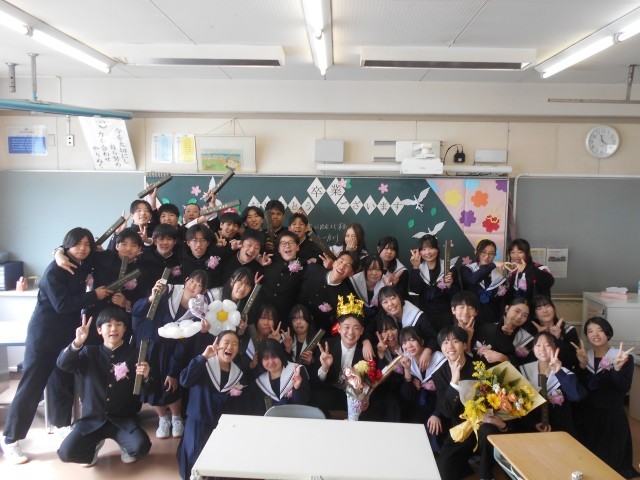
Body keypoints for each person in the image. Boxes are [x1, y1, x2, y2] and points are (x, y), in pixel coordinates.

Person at [2, 228, 111, 465]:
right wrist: (94, 295)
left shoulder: (83, 263)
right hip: (43, 335)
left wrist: (59, 251)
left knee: (62, 380)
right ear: (67, 245)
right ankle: (10, 439)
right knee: (32, 386)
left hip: (67, 334)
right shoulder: (55, 270)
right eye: (78, 244)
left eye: (87, 244)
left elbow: (98, 252)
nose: (83, 249)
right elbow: (62, 305)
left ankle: (61, 425)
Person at [56, 308, 152, 466]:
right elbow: (63, 364)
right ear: (99, 330)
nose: (114, 329)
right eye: (109, 325)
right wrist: (77, 342)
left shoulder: (135, 355)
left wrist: (147, 377)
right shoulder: (88, 352)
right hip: (92, 420)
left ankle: (125, 447)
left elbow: (148, 391)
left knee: (141, 447)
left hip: (123, 420)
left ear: (124, 329)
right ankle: (92, 449)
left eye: (119, 324)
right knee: (66, 453)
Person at [131, 270, 212, 440]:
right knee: (150, 383)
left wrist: (173, 371)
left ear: (203, 291)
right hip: (150, 345)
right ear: (186, 280)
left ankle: (176, 418)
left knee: (171, 384)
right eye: (192, 281)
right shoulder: (166, 290)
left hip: (174, 350)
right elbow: (136, 310)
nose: (193, 286)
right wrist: (151, 298)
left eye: (199, 285)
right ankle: (162, 418)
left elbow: (186, 342)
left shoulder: (198, 310)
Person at [432, 325, 508, 480]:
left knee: (487, 431)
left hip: (483, 425)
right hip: (460, 429)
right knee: (443, 469)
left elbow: (497, 398)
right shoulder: (439, 374)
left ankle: (486, 475)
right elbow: (445, 411)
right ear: (441, 348)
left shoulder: (480, 367)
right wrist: (454, 381)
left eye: (455, 341)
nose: (450, 346)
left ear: (465, 345)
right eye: (445, 342)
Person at [572, 317, 639, 478]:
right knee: (587, 462)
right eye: (590, 331)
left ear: (608, 333)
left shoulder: (623, 357)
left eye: (599, 330)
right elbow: (579, 388)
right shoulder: (584, 357)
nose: (595, 334)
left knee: (611, 462)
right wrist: (582, 366)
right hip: (587, 415)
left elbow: (623, 388)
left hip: (612, 415)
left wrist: (616, 369)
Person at [177, 331, 245, 480]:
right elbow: (184, 380)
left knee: (220, 465)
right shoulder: (204, 364)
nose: (230, 347)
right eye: (226, 342)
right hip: (198, 422)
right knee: (196, 461)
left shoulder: (237, 374)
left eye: (235, 344)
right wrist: (203, 356)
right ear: (217, 344)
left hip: (221, 427)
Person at [517, 332, 586, 435]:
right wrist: (533, 423)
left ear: (555, 348)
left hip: (559, 430)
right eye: (538, 345)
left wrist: (558, 372)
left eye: (547, 345)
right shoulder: (523, 371)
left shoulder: (565, 373)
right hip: (529, 429)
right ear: (533, 349)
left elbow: (577, 396)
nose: (542, 349)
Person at [310, 297, 367, 416]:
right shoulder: (326, 346)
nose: (351, 332)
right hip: (331, 393)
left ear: (361, 331)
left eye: (356, 328)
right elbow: (316, 382)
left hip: (355, 397)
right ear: (339, 328)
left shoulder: (365, 351)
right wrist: (324, 368)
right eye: (347, 327)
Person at [399, 326, 446, 450]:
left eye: (412, 340)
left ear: (422, 341)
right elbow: (409, 396)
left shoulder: (439, 360)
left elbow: (445, 392)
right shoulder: (407, 361)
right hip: (419, 410)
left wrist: (437, 414)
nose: (408, 345)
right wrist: (407, 370)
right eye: (404, 342)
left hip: (439, 409)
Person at [409, 234, 459, 334]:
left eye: (431, 248)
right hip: (424, 315)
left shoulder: (449, 269)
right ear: (419, 252)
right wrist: (415, 267)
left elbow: (456, 295)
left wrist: (449, 285)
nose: (427, 252)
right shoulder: (418, 268)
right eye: (423, 249)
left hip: (445, 315)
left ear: (437, 249)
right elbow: (415, 289)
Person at [377, 286, 438, 367]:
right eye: (385, 302)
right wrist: (366, 341)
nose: (390, 304)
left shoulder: (418, 317)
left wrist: (427, 351)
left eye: (392, 298)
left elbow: (434, 338)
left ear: (399, 298)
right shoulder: (385, 317)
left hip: (424, 359)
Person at [249, 338, 310, 415]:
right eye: (266, 358)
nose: (271, 362)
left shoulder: (297, 371)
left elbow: (303, 404)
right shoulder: (260, 382)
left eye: (274, 356)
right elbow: (259, 411)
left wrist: (297, 388)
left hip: (298, 418)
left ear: (281, 355)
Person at [260, 231, 305, 326]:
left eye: (291, 242)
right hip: (261, 313)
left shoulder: (304, 267)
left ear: (297, 247)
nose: (287, 246)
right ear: (279, 249)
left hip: (284, 318)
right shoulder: (269, 260)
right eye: (283, 243)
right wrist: (259, 258)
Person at [460, 239, 508, 324]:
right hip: (471, 319)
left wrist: (501, 321)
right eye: (484, 252)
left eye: (491, 253)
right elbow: (473, 280)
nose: (487, 256)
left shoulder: (499, 276)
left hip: (493, 320)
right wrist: (492, 265)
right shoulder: (467, 269)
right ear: (477, 252)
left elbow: (502, 302)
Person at [529, 295, 579, 370]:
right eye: (539, 308)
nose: (545, 311)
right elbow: (529, 362)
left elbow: (573, 360)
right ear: (535, 315)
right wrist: (539, 337)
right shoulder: (530, 333)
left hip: (563, 372)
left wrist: (557, 338)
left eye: (548, 306)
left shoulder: (569, 330)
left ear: (554, 309)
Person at [506, 238, 554, 308]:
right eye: (512, 252)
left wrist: (526, 269)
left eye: (520, 252)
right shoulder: (513, 272)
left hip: (535, 310)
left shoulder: (539, 268)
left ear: (527, 253)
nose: (516, 256)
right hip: (519, 311)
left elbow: (549, 282)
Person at [349, 254, 387, 326]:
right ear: (364, 269)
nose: (374, 273)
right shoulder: (354, 281)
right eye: (370, 269)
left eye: (378, 269)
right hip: (356, 319)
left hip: (378, 321)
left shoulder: (386, 282)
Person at [376, 236, 409, 300]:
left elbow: (403, 295)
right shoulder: (370, 267)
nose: (389, 252)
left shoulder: (401, 271)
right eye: (386, 248)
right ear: (378, 249)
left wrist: (394, 286)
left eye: (393, 249)